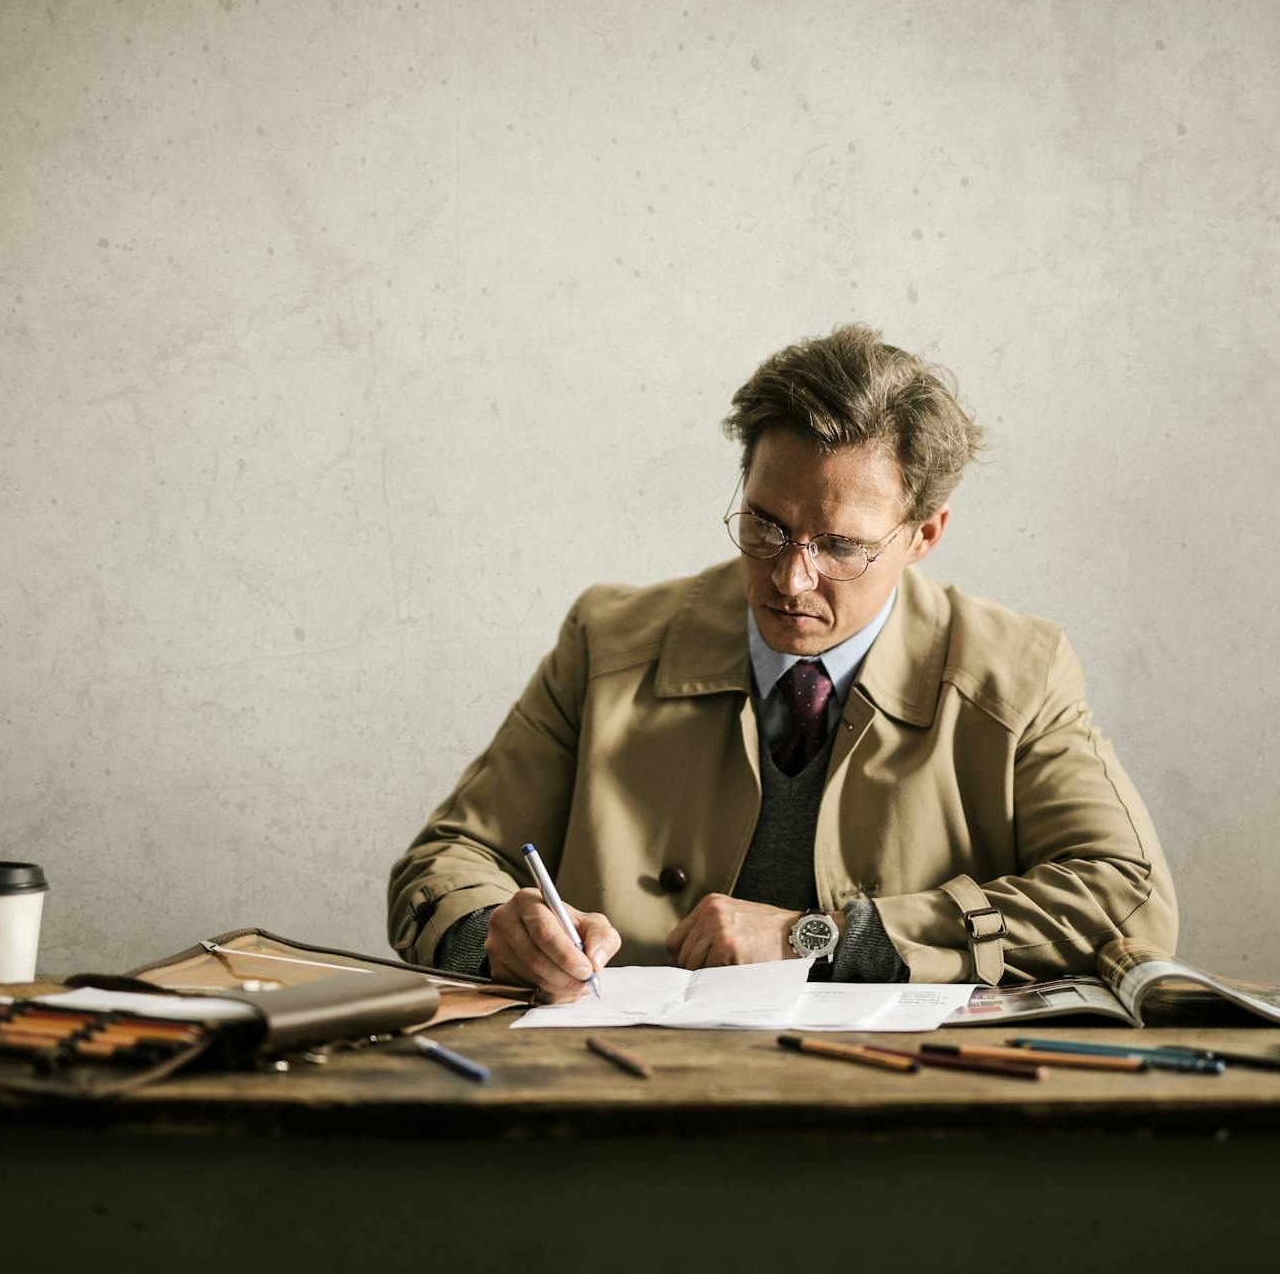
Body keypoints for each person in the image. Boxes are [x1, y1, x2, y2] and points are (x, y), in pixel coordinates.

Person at [386, 323, 1176, 999]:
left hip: (896, 1106)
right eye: (765, 526)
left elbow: (1126, 895)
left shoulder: (1017, 671)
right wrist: (494, 931)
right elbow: (446, 859)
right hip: (619, 1091)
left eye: (838, 546)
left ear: (924, 535)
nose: (789, 578)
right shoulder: (607, 640)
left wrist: (827, 937)